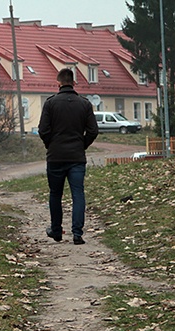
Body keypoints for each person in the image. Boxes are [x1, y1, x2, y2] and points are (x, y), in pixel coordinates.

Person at [38, 68, 99, 245]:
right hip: (77, 158)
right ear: (74, 83)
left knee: (55, 193)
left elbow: (43, 130)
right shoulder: (85, 104)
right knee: (78, 193)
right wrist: (82, 145)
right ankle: (77, 233)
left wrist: (51, 144)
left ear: (58, 83)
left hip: (56, 157)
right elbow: (93, 131)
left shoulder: (50, 104)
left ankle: (56, 231)